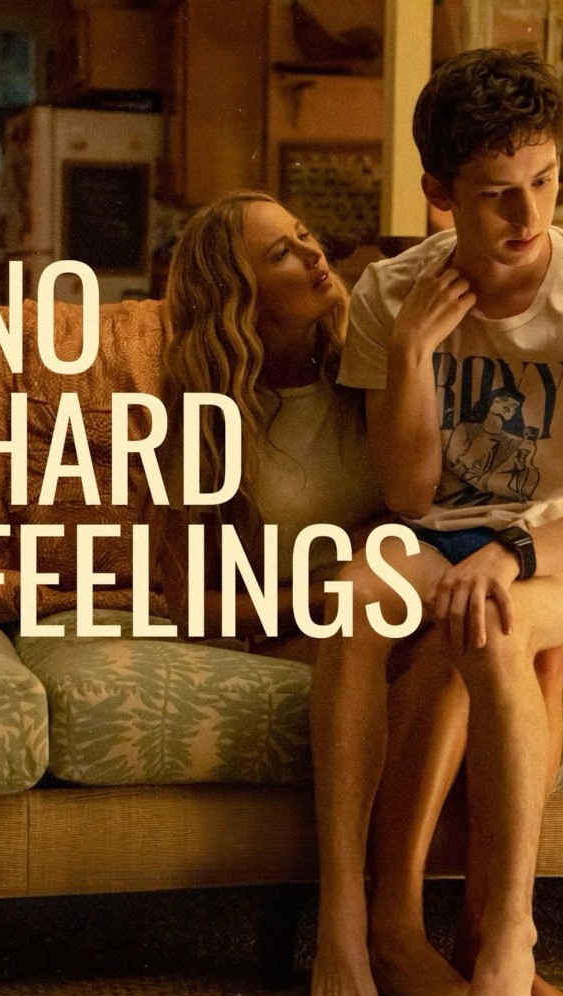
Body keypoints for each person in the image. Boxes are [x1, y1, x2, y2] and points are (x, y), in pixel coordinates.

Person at [309, 47, 563, 996]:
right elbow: (409, 494)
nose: (528, 216)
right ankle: (345, 929)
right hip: (438, 536)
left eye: (543, 181)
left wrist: (512, 554)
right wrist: (413, 353)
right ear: (439, 193)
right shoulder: (393, 294)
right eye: (497, 194)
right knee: (351, 599)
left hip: (560, 542)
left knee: (495, 626)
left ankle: (509, 939)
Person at [157, 189, 381, 662]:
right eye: (282, 254)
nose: (313, 253)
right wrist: (334, 595)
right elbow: (190, 607)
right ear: (239, 298)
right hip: (298, 630)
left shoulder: (368, 370)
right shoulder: (206, 418)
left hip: (402, 606)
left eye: (304, 235)